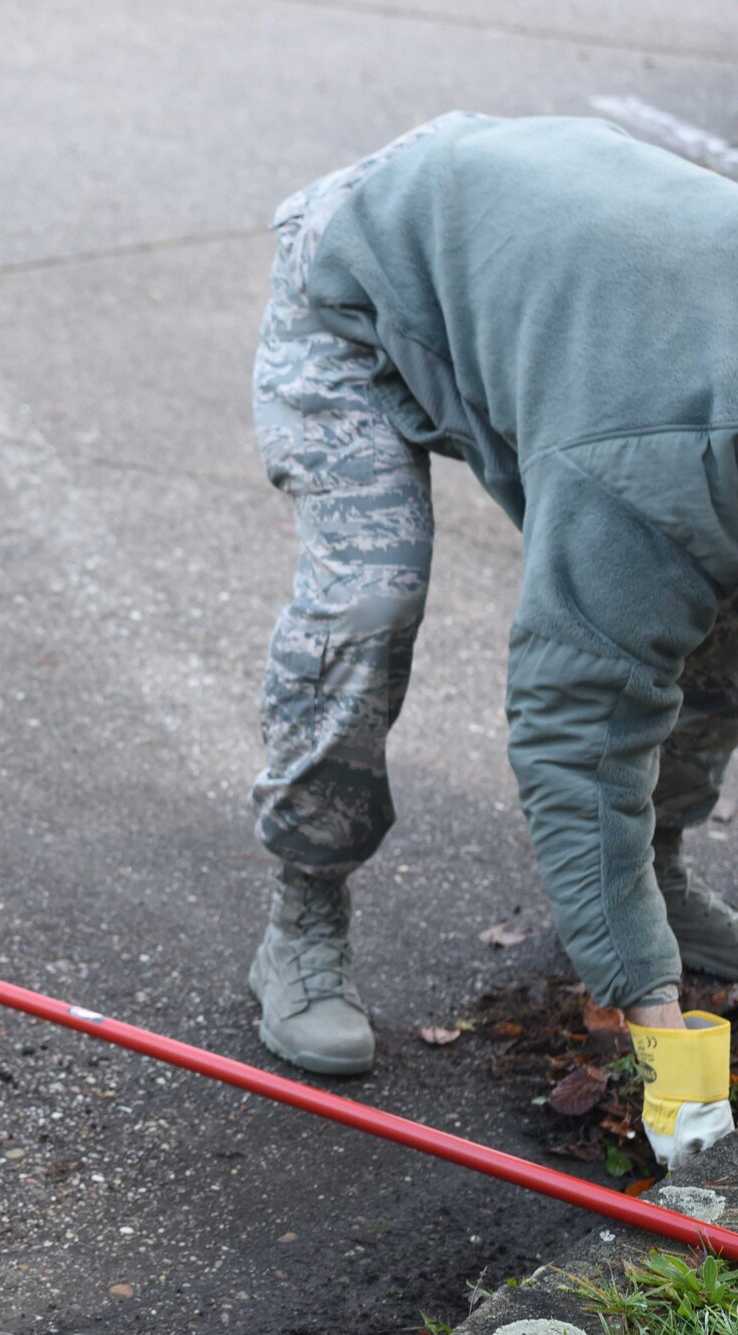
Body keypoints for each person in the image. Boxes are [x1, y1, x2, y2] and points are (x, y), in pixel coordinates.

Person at [245, 111, 738, 1166]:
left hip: (533, 242)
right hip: (368, 273)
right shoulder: (650, 477)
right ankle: (301, 911)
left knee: (724, 645)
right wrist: (663, 1057)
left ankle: (655, 866)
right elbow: (575, 734)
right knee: (365, 607)